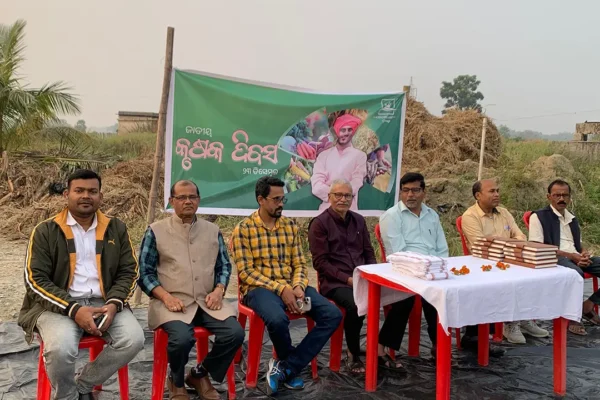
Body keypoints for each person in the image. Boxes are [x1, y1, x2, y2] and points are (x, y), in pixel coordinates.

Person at [18, 169, 144, 400]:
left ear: (100, 196)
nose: (86, 196)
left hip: (104, 302)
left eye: (92, 191)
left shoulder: (116, 228)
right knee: (60, 348)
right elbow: (35, 279)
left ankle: (83, 385)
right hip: (58, 305)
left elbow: (129, 271)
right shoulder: (46, 230)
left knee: (133, 340)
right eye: (79, 190)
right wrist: (73, 309)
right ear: (66, 194)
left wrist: (114, 303)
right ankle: (67, 396)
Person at [232, 176, 343, 395]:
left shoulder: (290, 226)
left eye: (283, 199)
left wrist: (299, 286)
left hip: (293, 287)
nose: (281, 204)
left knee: (332, 314)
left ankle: (287, 367)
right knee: (277, 319)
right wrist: (281, 289)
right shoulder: (243, 229)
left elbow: (299, 263)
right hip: (260, 290)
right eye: (276, 199)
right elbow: (246, 273)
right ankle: (289, 366)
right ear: (261, 200)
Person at [138, 180, 244, 400]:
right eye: (181, 197)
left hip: (207, 301)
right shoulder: (156, 231)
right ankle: (176, 381)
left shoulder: (212, 230)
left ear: (198, 200)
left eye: (192, 197)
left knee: (235, 333)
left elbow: (224, 266)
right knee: (181, 339)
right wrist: (165, 297)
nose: (188, 201)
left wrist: (219, 290)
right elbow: (145, 273)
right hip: (171, 303)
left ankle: (199, 374)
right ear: (171, 201)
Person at [309, 179, 407, 374]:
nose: (343, 199)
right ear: (329, 197)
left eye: (347, 195)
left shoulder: (358, 220)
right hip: (336, 282)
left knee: (404, 297)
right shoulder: (319, 224)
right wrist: (349, 279)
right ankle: (352, 353)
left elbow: (368, 252)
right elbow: (320, 263)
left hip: (363, 277)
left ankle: (380, 347)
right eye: (338, 195)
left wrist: (373, 273)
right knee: (355, 304)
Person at [462, 179, 549, 348]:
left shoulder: (504, 212)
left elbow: (521, 236)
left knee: (532, 274)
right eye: (492, 191)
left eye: (497, 191)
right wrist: (508, 244)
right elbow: (481, 244)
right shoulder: (470, 216)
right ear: (478, 195)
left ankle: (523, 317)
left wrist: (500, 242)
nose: (497, 194)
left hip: (510, 259)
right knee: (510, 278)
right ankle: (510, 323)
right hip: (484, 264)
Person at [379, 172, 448, 359]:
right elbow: (398, 254)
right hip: (405, 271)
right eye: (406, 190)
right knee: (408, 298)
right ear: (400, 193)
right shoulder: (391, 216)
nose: (410, 195)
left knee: (444, 293)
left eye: (415, 190)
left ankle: (439, 346)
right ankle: (381, 347)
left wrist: (437, 270)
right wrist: (423, 271)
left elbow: (442, 249)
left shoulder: (432, 215)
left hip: (433, 270)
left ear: (424, 192)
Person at [529, 179, 600, 335]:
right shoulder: (538, 217)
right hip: (554, 258)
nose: (561, 199)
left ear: (569, 197)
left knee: (583, 266)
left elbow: (578, 244)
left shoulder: (571, 217)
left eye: (565, 195)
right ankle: (573, 317)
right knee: (575, 273)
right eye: (557, 195)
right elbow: (537, 247)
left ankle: (588, 305)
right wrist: (571, 256)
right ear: (549, 197)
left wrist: (584, 253)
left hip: (575, 257)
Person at [311, 113, 367, 211]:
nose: (346, 133)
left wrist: (332, 189)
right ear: (336, 131)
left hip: (350, 211)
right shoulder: (323, 156)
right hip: (326, 211)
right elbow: (317, 187)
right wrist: (342, 193)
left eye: (349, 130)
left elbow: (356, 182)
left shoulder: (360, 156)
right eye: (342, 130)